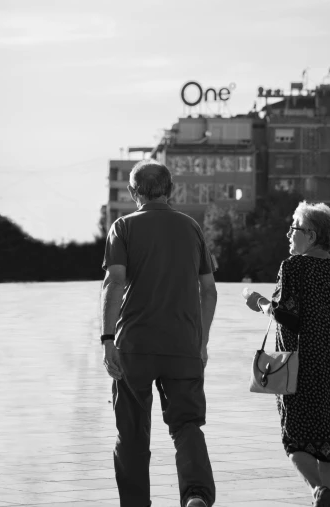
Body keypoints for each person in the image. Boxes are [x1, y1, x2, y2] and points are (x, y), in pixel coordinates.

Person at [243, 201, 330, 507]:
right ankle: (324, 497)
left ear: (312, 235)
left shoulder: (293, 268)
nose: (288, 233)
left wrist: (259, 301)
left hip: (302, 372)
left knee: (295, 441)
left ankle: (319, 490)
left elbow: (284, 314)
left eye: (294, 227)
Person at [101, 159, 217, 507]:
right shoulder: (191, 227)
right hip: (183, 345)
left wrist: (107, 339)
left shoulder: (123, 227)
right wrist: (202, 341)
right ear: (171, 191)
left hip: (134, 346)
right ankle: (195, 494)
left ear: (133, 192)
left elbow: (115, 281)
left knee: (132, 433)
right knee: (187, 426)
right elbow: (209, 289)